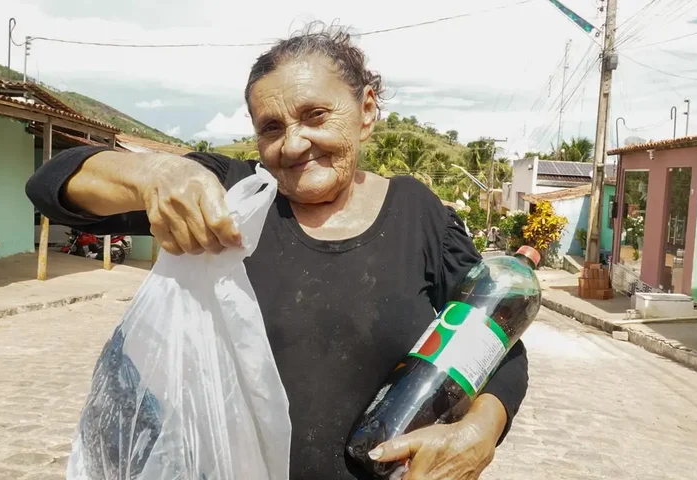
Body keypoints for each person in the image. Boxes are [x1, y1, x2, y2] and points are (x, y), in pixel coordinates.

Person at [26, 22, 529, 480]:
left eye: (315, 116)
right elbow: (52, 186)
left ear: (366, 110)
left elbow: (499, 337)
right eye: (271, 127)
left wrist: (480, 432)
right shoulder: (231, 195)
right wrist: (155, 173)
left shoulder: (419, 216)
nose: (292, 145)